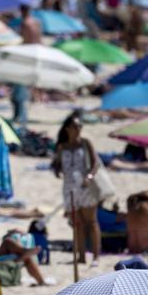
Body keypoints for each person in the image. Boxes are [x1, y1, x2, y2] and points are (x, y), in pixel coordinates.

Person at [52, 112, 101, 266]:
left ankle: (95, 256)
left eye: (80, 126)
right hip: (69, 187)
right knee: (77, 223)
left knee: (91, 222)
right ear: (67, 129)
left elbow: (96, 164)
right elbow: (56, 163)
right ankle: (80, 256)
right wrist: (56, 169)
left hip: (85, 186)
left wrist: (89, 177)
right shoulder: (62, 146)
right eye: (75, 126)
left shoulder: (85, 143)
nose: (78, 129)